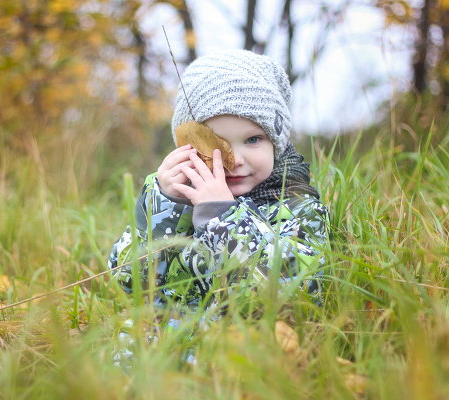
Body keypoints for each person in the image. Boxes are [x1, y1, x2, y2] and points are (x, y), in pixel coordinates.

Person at [107, 49, 329, 319]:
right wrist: (165, 206)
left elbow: (294, 296)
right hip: (160, 353)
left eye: (252, 140)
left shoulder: (298, 207)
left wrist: (222, 217)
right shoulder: (172, 201)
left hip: (243, 352)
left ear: (275, 144)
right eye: (214, 143)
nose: (234, 161)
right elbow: (130, 288)